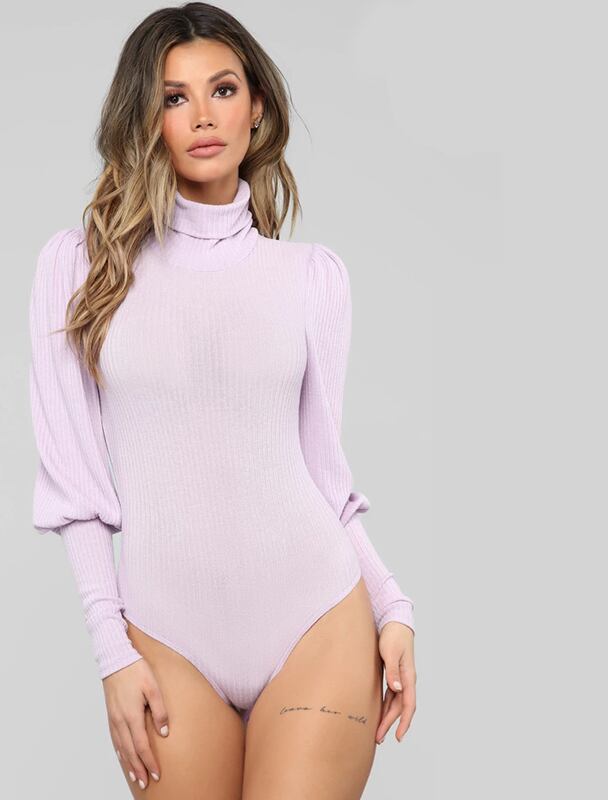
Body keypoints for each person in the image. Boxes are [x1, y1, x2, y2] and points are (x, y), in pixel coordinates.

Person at [28, 4, 417, 797]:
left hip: (316, 618)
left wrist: (393, 605)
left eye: (223, 89)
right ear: (146, 119)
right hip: (166, 638)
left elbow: (325, 473)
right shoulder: (80, 271)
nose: (203, 116)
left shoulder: (311, 279)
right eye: (174, 98)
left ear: (257, 108)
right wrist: (111, 651)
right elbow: (76, 492)